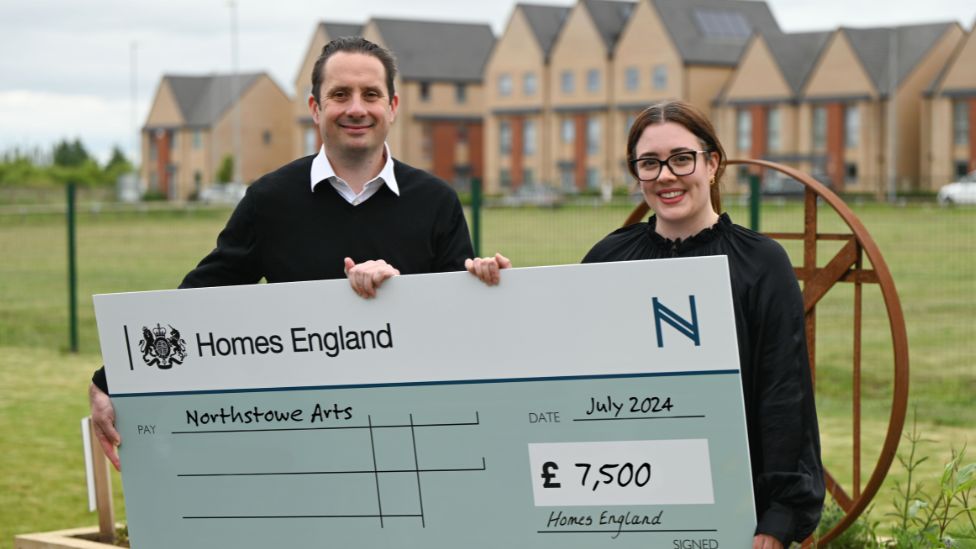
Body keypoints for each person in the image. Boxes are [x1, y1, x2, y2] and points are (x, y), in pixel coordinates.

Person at [89, 36, 509, 470]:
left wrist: (484, 283)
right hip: (305, 437)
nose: (356, 108)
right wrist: (110, 379)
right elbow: (199, 299)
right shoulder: (271, 200)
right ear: (314, 107)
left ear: (393, 106)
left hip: (412, 434)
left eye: (371, 95)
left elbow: (461, 328)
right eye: (339, 95)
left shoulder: (436, 201)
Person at [582, 101, 824, 548]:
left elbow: (784, 393)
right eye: (649, 163)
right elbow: (572, 377)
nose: (665, 176)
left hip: (734, 510)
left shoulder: (761, 263)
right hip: (629, 507)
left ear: (712, 164)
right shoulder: (607, 259)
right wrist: (490, 285)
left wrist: (779, 516)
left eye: (681, 158)